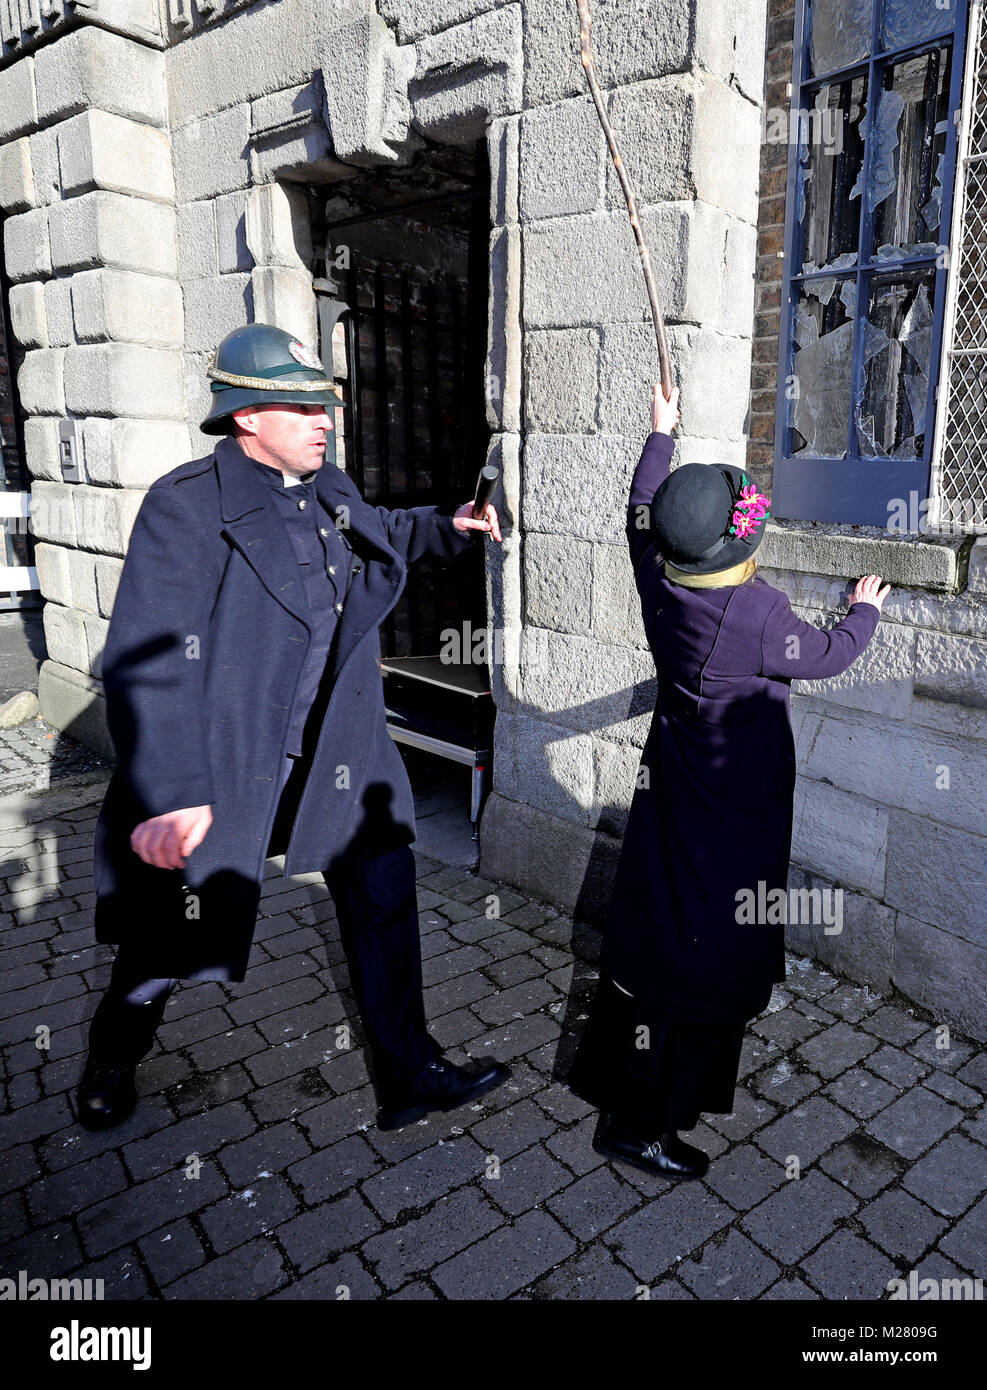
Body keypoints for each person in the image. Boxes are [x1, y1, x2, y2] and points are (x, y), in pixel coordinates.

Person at [77, 322, 510, 1133]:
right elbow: (147, 659)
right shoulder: (186, 507)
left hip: (340, 751)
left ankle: (411, 1074)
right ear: (246, 417)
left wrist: (445, 526)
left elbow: (376, 529)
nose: (324, 421)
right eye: (304, 406)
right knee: (171, 936)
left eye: (325, 406)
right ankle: (112, 1053)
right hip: (230, 764)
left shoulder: (327, 487)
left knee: (384, 895)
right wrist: (170, 795)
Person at [566, 380, 890, 1179]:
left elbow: (641, 511)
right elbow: (825, 658)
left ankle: (619, 1086)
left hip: (673, 788)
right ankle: (641, 1124)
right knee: (702, 958)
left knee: (664, 936)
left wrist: (658, 436)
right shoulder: (756, 616)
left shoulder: (661, 582)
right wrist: (863, 611)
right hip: (731, 809)